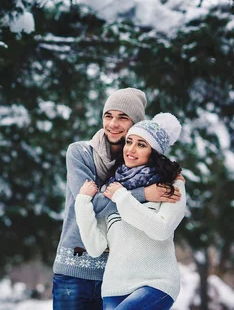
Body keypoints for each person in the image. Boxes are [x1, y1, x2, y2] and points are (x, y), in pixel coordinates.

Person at [52, 88, 181, 310]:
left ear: (136, 124)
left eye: (123, 117)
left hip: (117, 276)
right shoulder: (80, 153)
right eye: (108, 116)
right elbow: (92, 205)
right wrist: (142, 193)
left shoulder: (139, 165)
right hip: (75, 270)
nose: (113, 124)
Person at [75, 113, 187, 310]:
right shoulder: (111, 189)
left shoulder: (171, 185)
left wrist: (123, 198)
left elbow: (161, 230)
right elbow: (95, 247)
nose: (131, 150)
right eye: (129, 142)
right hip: (113, 289)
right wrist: (82, 202)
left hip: (156, 283)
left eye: (141, 144)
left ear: (153, 152)